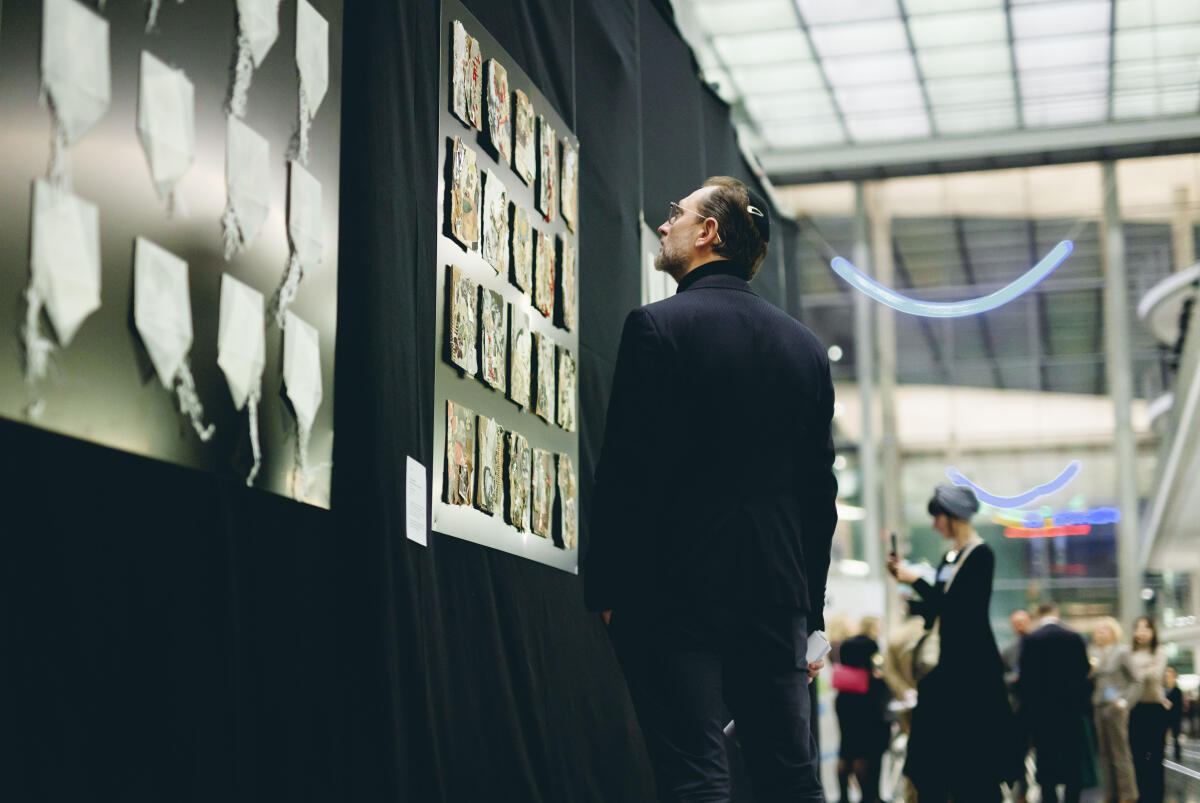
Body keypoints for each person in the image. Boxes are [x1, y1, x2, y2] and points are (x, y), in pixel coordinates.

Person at [584, 176, 838, 803]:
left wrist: (610, 592)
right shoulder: (806, 349)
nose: (664, 222)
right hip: (776, 600)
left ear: (708, 232)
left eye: (677, 213)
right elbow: (819, 499)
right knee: (790, 778)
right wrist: (810, 617)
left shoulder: (657, 327)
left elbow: (626, 474)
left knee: (696, 776)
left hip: (674, 597)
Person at [886, 484, 1016, 802]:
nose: (934, 525)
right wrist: (908, 584)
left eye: (938, 517)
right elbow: (938, 606)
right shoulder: (949, 557)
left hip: (972, 672)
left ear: (953, 516)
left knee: (972, 765)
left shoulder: (981, 555)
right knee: (935, 766)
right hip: (947, 667)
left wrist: (916, 579)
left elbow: (962, 610)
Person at [1017, 602, 1092, 803]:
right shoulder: (1073, 637)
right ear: (1056, 613)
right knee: (1072, 755)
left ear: (1038, 615)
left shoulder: (1031, 639)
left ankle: (1049, 796)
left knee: (1046, 756)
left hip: (1042, 711)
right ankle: (1072, 797)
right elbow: (1084, 669)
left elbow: (1025, 677)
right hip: (1071, 709)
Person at [834, 617, 889, 803]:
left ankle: (843, 797)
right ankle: (867, 797)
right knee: (861, 752)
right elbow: (876, 668)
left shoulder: (847, 644)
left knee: (845, 750)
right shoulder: (870, 645)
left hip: (844, 699)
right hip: (863, 701)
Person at [1089, 617, 1139, 803]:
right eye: (1097, 631)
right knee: (1104, 753)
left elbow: (1136, 680)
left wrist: (1125, 701)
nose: (1099, 634)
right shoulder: (1093, 653)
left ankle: (1128, 794)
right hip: (1098, 705)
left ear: (1113, 632)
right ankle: (1110, 793)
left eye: (1103, 630)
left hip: (1115, 706)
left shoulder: (1122, 652)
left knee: (1120, 752)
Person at [1128, 616, 1169, 803]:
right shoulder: (1128, 653)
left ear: (1153, 632)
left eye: (1146, 628)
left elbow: (1156, 675)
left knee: (1156, 756)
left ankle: (1156, 797)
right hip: (1134, 709)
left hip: (1155, 708)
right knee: (1137, 756)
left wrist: (1136, 673)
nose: (1142, 632)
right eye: (1138, 628)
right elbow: (1124, 680)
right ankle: (1141, 796)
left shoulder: (1159, 652)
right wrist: (1145, 669)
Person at [1002, 609, 1034, 803]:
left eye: (1023, 621)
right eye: (1016, 623)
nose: (1020, 626)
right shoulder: (1008, 651)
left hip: (1039, 707)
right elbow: (1001, 676)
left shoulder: (1039, 645)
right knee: (1019, 752)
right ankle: (1022, 791)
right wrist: (1012, 680)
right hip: (1018, 707)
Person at [1165, 666, 1183, 763]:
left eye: (1170, 675)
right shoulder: (1164, 690)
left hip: (1175, 717)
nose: (1168, 678)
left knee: (1176, 737)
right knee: (1162, 737)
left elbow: (1179, 706)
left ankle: (1177, 755)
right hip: (1165, 717)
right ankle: (1161, 754)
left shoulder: (1177, 691)